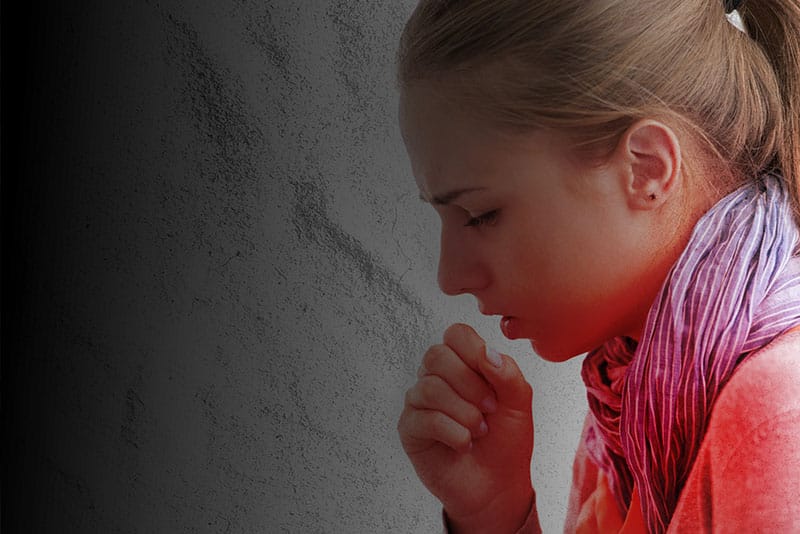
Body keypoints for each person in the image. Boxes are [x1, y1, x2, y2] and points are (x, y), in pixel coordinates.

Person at [394, 0, 800, 532]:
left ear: (646, 169)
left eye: (480, 215)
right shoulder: (633, 400)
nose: (451, 277)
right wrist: (496, 512)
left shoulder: (777, 416)